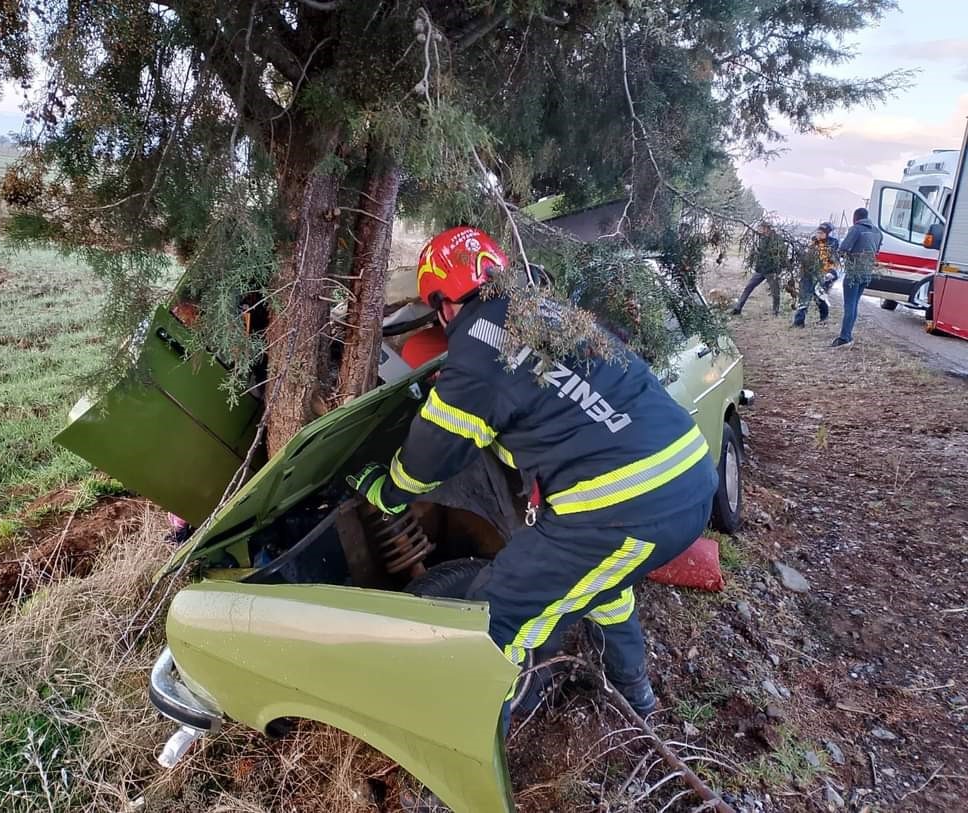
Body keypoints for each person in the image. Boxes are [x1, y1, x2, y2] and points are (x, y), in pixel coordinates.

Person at [347, 226, 717, 721]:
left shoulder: (478, 346)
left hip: (623, 508)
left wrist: (389, 490)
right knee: (605, 590)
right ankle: (637, 701)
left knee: (495, 616)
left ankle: (469, 752)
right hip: (688, 480)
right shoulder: (551, 311)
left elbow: (432, 453)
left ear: (443, 301)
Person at [834, 208, 883, 347]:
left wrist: (841, 256)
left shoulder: (856, 229)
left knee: (849, 305)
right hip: (866, 273)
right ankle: (848, 334)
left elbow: (843, 248)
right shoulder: (878, 232)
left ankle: (844, 337)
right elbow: (876, 252)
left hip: (854, 272)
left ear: (855, 217)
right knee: (854, 304)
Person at [732, 221, 788, 316]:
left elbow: (781, 255)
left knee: (775, 292)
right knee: (749, 287)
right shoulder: (762, 238)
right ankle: (738, 308)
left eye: (761, 228)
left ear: (766, 228)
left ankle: (775, 311)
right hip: (761, 270)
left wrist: (777, 268)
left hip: (771, 270)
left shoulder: (777, 239)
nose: (759, 230)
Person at [792, 222, 840, 327]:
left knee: (819, 296)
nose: (819, 234)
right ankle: (799, 322)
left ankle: (824, 318)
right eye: (818, 232)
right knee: (804, 296)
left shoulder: (832, 243)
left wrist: (828, 274)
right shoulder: (813, 242)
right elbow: (807, 256)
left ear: (827, 234)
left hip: (825, 274)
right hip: (809, 273)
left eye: (822, 233)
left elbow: (831, 261)